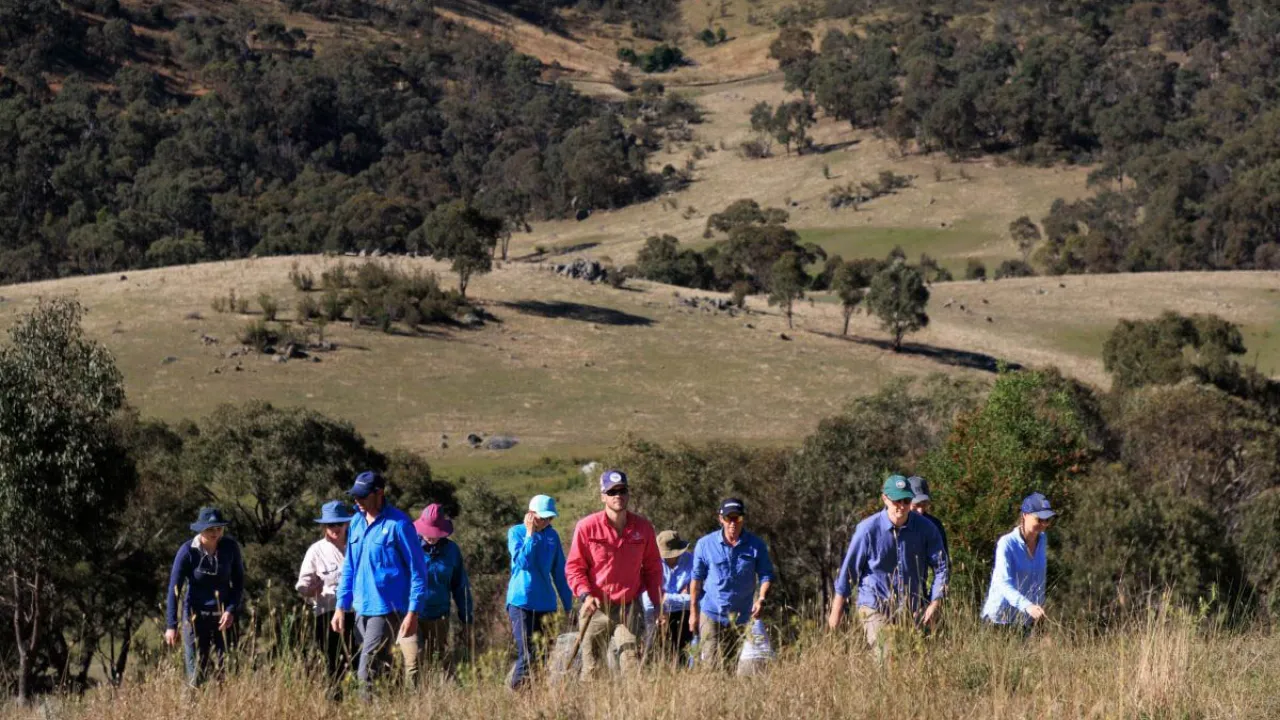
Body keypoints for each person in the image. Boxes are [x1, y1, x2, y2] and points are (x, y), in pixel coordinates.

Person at [828, 475, 948, 662]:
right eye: (896, 501)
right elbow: (849, 570)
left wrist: (935, 603)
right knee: (887, 655)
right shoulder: (867, 529)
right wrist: (837, 611)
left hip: (911, 607)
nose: (901, 506)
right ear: (885, 498)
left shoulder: (926, 528)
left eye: (906, 501)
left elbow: (941, 567)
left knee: (911, 660)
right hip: (875, 604)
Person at [332, 471, 428, 699]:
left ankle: (366, 711)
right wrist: (340, 605)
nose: (357, 501)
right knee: (384, 669)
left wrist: (413, 611)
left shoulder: (400, 524)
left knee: (366, 671)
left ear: (379, 494)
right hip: (360, 608)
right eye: (355, 496)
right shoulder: (355, 522)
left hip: (388, 610)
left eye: (363, 496)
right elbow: (350, 567)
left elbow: (418, 570)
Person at [565, 469, 663, 679]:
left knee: (632, 664)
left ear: (628, 493)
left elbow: (653, 569)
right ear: (603, 496)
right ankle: (592, 709)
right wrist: (585, 595)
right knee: (592, 669)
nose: (618, 495)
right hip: (596, 607)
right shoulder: (586, 527)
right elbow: (574, 568)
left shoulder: (644, 528)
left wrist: (658, 605)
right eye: (612, 492)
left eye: (622, 490)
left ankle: (632, 709)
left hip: (629, 607)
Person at [689, 498, 775, 671]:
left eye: (737, 518)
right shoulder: (705, 544)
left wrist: (761, 599)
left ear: (743, 519)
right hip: (711, 612)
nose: (733, 524)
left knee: (730, 665)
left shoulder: (756, 546)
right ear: (721, 519)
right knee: (710, 665)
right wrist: (693, 612)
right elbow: (696, 579)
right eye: (729, 518)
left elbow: (766, 574)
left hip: (740, 616)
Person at [165, 506, 245, 688]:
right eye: (210, 529)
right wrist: (171, 625)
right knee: (196, 671)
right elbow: (173, 588)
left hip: (223, 617)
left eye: (219, 528)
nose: (215, 533)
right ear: (201, 529)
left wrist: (231, 609)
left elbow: (238, 582)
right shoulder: (187, 551)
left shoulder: (230, 547)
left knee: (226, 669)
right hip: (195, 616)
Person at [506, 494, 574, 689]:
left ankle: (535, 697)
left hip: (546, 603)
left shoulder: (552, 536)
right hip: (521, 602)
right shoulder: (516, 532)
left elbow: (560, 572)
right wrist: (530, 534)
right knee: (527, 653)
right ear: (530, 515)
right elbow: (523, 562)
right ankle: (517, 693)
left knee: (544, 654)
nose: (546, 522)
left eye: (549, 518)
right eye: (542, 517)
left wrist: (569, 605)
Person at [402, 503, 473, 685]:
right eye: (428, 531)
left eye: (435, 532)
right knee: (413, 663)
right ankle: (411, 705)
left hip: (439, 616)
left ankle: (430, 704)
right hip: (411, 615)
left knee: (435, 662)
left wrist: (466, 619)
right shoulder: (409, 546)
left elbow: (460, 586)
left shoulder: (452, 551)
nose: (431, 536)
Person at [296, 500, 356, 694]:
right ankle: (335, 702)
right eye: (331, 525)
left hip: (356, 613)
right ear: (324, 526)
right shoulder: (316, 551)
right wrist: (311, 589)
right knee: (334, 662)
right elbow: (302, 585)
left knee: (357, 660)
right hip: (327, 614)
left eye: (339, 524)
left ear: (346, 524)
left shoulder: (356, 546)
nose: (335, 528)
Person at [981, 492, 1057, 634]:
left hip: (1025, 620)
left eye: (1047, 520)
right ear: (1025, 515)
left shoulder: (1042, 539)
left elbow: (1038, 579)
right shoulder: (1007, 543)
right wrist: (1028, 606)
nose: (1043, 524)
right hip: (1000, 621)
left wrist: (1038, 608)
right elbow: (1003, 583)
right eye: (1039, 519)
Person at [641, 530, 695, 667]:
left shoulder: (692, 561)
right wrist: (659, 609)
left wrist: (666, 598)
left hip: (682, 613)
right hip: (654, 611)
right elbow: (647, 597)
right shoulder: (650, 562)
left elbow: (696, 597)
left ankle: (681, 671)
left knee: (682, 647)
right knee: (650, 644)